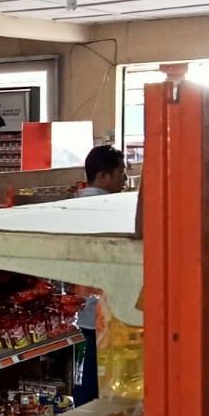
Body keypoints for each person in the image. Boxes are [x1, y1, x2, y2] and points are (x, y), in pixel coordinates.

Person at [73, 144, 126, 402]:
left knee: (81, 381)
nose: (124, 179)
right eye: (120, 172)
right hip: (102, 312)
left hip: (77, 312)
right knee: (99, 385)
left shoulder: (71, 206)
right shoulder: (111, 210)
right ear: (104, 176)